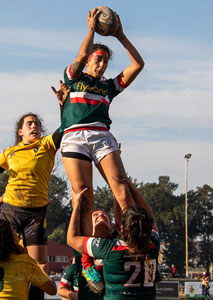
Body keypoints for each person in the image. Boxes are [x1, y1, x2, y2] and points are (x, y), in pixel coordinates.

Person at [0, 83, 70, 299]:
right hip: (10, 210)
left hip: (36, 214)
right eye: (29, 123)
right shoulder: (10, 152)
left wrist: (62, 105)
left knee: (39, 266)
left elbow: (66, 127)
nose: (34, 126)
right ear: (20, 131)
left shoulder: (47, 145)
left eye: (37, 123)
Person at [59, 8, 144, 239]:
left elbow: (138, 65)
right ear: (89, 60)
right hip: (74, 138)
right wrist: (90, 29)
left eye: (106, 61)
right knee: (85, 198)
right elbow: (81, 54)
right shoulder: (74, 78)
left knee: (122, 190)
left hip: (101, 136)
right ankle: (87, 257)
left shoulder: (109, 86)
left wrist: (121, 36)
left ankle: (131, 243)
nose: (102, 65)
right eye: (98, 60)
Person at [67, 178, 160, 300]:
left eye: (103, 215)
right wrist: (124, 190)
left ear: (121, 227)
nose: (100, 216)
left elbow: (71, 239)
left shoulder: (110, 247)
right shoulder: (153, 243)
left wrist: (77, 205)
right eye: (95, 215)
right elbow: (151, 218)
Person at [58, 209, 113, 300]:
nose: (101, 214)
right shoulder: (80, 247)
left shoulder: (117, 244)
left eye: (105, 214)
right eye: (95, 214)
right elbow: (61, 290)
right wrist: (77, 204)